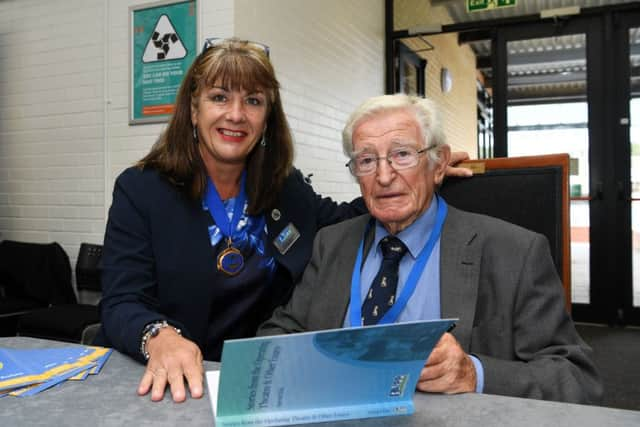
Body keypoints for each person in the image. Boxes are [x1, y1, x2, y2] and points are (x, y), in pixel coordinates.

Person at [94, 37, 474, 403]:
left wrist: (422, 169)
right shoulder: (142, 190)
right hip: (168, 383)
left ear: (267, 118)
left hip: (258, 384)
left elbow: (347, 217)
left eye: (253, 101)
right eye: (219, 97)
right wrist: (158, 336)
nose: (236, 114)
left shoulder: (283, 186)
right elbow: (121, 301)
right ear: (194, 110)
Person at [258, 93, 603, 404]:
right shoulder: (332, 243)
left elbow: (577, 378)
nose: (383, 175)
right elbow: (280, 333)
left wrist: (475, 373)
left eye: (402, 155)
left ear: (438, 165)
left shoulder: (514, 251)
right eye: (366, 161)